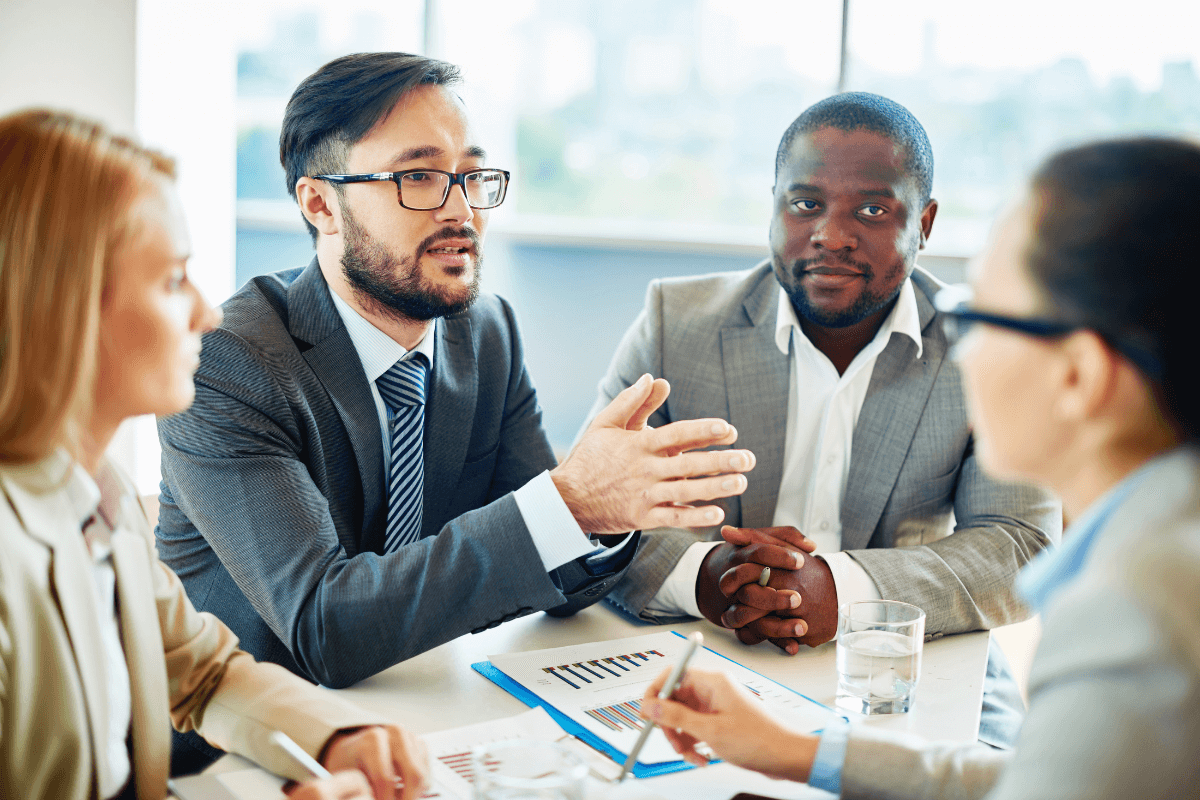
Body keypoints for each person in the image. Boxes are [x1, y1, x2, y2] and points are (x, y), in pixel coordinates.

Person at [156, 53, 752, 689]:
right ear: (321, 206)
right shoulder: (228, 362)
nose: (461, 211)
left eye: (471, 177)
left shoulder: (484, 332)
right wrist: (568, 502)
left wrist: (607, 510)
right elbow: (325, 628)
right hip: (247, 748)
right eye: (418, 177)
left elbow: (551, 571)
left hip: (431, 703)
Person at [641, 136, 1200, 799]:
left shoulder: (1136, 609)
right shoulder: (1158, 549)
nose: (958, 351)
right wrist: (789, 751)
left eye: (979, 315)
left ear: (1080, 375)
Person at [592, 92, 1060, 747]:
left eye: (871, 209)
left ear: (924, 224)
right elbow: (595, 515)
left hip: (915, 668)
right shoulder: (676, 323)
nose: (831, 234)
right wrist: (706, 577)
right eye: (805, 203)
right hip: (704, 652)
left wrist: (839, 591)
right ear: (775, 205)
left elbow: (1021, 546)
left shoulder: (989, 351)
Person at [0, 110, 429, 800]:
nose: (208, 312)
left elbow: (201, 673)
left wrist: (340, 736)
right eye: (173, 281)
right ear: (65, 302)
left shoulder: (91, 494)